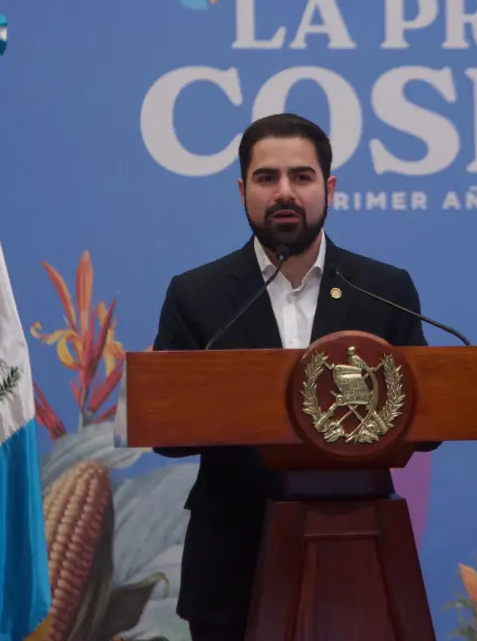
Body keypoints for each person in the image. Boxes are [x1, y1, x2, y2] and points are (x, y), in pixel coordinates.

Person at [150, 113, 434, 641]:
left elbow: (428, 421)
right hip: (233, 560)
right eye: (266, 178)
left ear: (328, 189)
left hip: (358, 554)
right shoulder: (197, 295)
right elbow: (167, 434)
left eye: (301, 177)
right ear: (242, 191)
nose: (285, 192)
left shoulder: (384, 289)